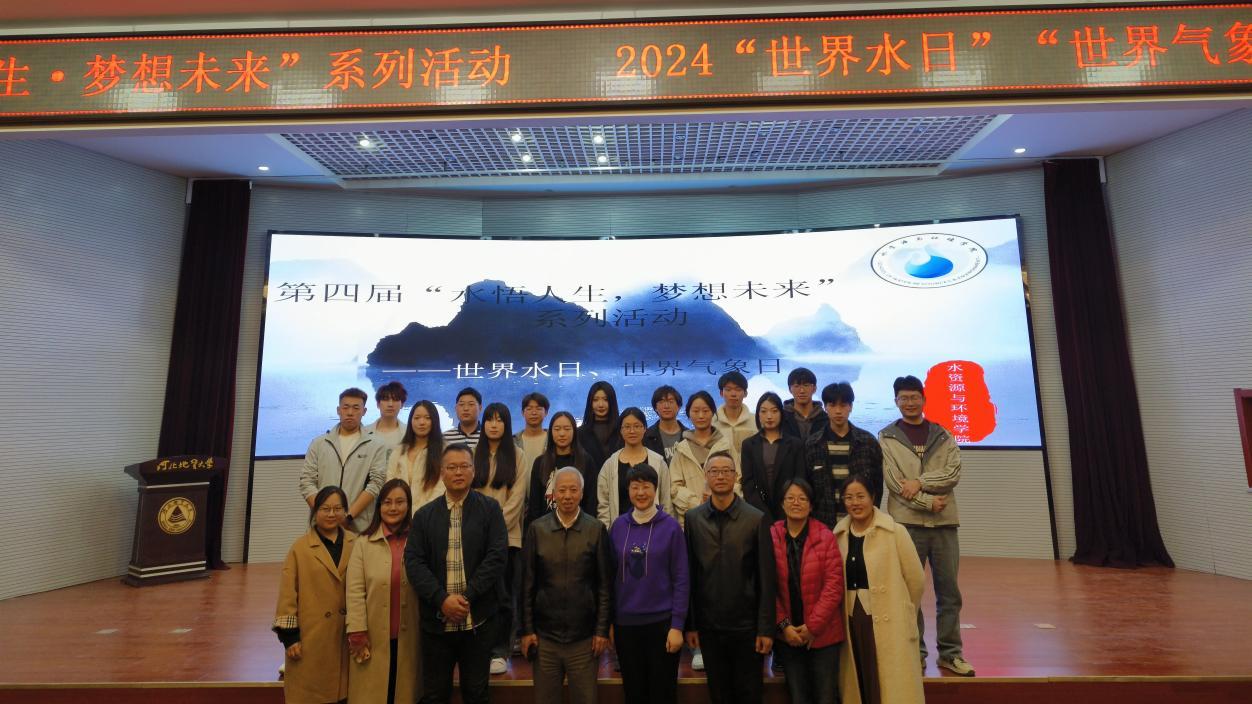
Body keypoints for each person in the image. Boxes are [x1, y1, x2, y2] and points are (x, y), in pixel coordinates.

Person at [879, 375, 974, 677]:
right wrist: (927, 502)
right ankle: (914, 652)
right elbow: (894, 483)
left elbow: (953, 473)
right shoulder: (887, 437)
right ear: (896, 401)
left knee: (949, 593)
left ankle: (950, 653)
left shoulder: (943, 434)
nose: (909, 403)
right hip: (906, 524)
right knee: (909, 593)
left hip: (944, 524)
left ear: (923, 399)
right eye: (904, 398)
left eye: (914, 397)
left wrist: (920, 482)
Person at [405, 444, 509, 704]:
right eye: (452, 467)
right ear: (442, 473)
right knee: (435, 694)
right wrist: (442, 599)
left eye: (464, 466)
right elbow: (414, 562)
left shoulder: (490, 509)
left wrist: (466, 597)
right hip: (436, 623)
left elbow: (496, 557)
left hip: (478, 621)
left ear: (474, 471)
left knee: (476, 693)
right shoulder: (424, 516)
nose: (458, 472)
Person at [684, 451, 777, 704]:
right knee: (719, 694)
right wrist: (691, 625)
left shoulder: (756, 518)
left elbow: (766, 580)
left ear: (736, 476)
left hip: (747, 627)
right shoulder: (693, 519)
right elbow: (690, 576)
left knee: (750, 694)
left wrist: (766, 629)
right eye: (714, 471)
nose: (721, 476)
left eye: (726, 471)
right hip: (709, 627)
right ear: (706, 476)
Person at [520, 468, 612, 704]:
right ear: (553, 493)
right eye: (562, 490)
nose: (568, 495)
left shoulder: (596, 529)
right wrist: (527, 630)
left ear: (582, 493)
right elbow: (527, 585)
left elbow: (604, 586)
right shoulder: (537, 529)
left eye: (573, 490)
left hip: (584, 639)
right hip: (544, 638)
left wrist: (601, 631)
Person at [835, 475, 925, 704]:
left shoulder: (895, 532)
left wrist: (904, 612)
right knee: (861, 678)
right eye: (849, 497)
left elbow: (916, 580)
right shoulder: (838, 535)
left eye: (860, 496)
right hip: (852, 619)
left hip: (890, 620)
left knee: (888, 684)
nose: (855, 502)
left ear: (873, 497)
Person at [610, 463, 689, 704]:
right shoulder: (618, 527)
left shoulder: (671, 528)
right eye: (635, 487)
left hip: (662, 625)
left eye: (646, 486)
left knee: (662, 693)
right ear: (628, 491)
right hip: (626, 626)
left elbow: (682, 579)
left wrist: (677, 626)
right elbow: (610, 577)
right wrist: (610, 622)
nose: (641, 492)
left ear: (655, 489)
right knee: (634, 693)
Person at [274, 485, 357, 704]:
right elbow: (287, 594)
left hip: (346, 637)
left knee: (345, 693)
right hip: (311, 639)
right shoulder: (300, 548)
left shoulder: (356, 544)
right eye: (325, 509)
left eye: (337, 509)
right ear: (315, 511)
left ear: (345, 511)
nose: (331, 514)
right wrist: (290, 637)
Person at [346, 479, 422, 704]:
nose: (393, 508)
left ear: (409, 505)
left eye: (400, 502)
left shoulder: (419, 540)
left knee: (405, 693)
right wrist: (357, 629)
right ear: (379, 506)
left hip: (411, 636)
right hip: (372, 636)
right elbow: (354, 591)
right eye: (387, 502)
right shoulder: (363, 543)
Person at [770, 479, 844, 704]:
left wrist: (812, 628)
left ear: (811, 506)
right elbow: (767, 586)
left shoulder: (825, 536)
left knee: (826, 697)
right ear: (782, 504)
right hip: (788, 635)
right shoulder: (771, 536)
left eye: (802, 499)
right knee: (798, 697)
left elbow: (834, 586)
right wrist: (784, 626)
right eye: (790, 498)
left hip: (824, 634)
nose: (796, 503)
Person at [471, 402, 530, 675]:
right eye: (489, 420)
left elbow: (517, 499)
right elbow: (467, 494)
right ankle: (478, 649)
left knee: (504, 597)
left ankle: (500, 651)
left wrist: (493, 530)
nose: (494, 425)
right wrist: (478, 531)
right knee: (478, 595)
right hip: (474, 538)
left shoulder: (517, 455)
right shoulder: (473, 453)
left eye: (500, 420)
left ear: (507, 424)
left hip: (508, 539)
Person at [300, 387, 388, 533]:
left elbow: (376, 483)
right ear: (338, 410)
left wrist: (348, 517)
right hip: (320, 526)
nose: (350, 412)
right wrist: (325, 514)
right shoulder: (319, 443)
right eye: (345, 407)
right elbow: (306, 481)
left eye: (356, 408)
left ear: (364, 411)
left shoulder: (376, 445)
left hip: (359, 526)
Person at [807, 382, 883, 529]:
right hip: (824, 524)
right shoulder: (813, 444)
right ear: (825, 407)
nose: (838, 411)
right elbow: (808, 488)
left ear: (851, 407)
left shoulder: (867, 442)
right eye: (832, 405)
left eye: (843, 405)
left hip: (862, 522)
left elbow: (877, 486)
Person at [669, 390, 737, 529]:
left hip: (726, 516)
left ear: (713, 413)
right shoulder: (681, 449)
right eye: (695, 411)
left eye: (705, 411)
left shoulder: (726, 445)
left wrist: (719, 500)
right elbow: (674, 487)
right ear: (689, 414)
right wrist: (697, 503)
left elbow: (738, 479)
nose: (701, 416)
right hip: (693, 519)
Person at [597, 406, 671, 527]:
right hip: (620, 530)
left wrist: (664, 529)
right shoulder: (609, 465)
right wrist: (607, 532)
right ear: (620, 430)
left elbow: (666, 501)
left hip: (653, 529)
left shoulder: (658, 462)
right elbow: (603, 505)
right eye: (627, 427)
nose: (632, 431)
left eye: (637, 426)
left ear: (645, 428)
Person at [741, 392, 809, 522]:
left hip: (789, 510)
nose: (769, 416)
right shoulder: (749, 445)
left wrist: (787, 506)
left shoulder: (795, 444)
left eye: (774, 411)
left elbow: (800, 479)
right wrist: (763, 513)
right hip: (758, 512)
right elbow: (748, 483)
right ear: (758, 415)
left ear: (781, 414)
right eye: (764, 411)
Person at [526, 411, 597, 527]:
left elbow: (591, 502)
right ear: (550, 432)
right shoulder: (540, 463)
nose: (562, 433)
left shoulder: (586, 461)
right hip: (546, 529)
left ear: (574, 431)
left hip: (580, 528)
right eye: (557, 429)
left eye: (567, 429)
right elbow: (534, 506)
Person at [387, 400, 446, 511]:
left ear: (434, 421)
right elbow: (389, 483)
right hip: (399, 514)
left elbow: (442, 488)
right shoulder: (399, 451)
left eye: (427, 418)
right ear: (411, 421)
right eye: (417, 418)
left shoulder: (444, 452)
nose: (421, 422)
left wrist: (422, 514)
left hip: (431, 514)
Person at [712, 371, 758, 465]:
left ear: (745, 393)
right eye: (728, 389)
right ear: (721, 393)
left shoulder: (756, 421)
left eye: (738, 389)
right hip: (720, 472)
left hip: (749, 472)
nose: (733, 394)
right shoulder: (712, 422)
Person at [578, 381, 621, 471]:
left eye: (605, 400)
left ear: (612, 402)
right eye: (595, 400)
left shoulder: (622, 431)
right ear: (590, 403)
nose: (600, 405)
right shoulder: (580, 433)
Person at [642, 385, 687, 464]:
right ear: (655, 407)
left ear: (679, 406)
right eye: (661, 402)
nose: (666, 406)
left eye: (671, 401)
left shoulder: (688, 436)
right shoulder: (646, 436)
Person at [515, 392, 550, 491]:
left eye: (538, 408)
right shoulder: (513, 441)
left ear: (546, 412)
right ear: (522, 413)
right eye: (529, 409)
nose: (534, 412)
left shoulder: (553, 439)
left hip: (545, 494)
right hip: (518, 495)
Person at [781, 368, 826, 443]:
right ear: (790, 389)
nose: (802, 391)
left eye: (806, 385)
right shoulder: (781, 418)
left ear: (814, 388)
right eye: (796, 386)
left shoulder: (826, 419)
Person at [367, 381, 409, 459]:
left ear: (402, 405)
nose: (390, 404)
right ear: (378, 404)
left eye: (395, 400)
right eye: (386, 399)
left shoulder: (409, 433)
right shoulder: (364, 432)